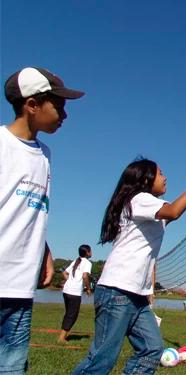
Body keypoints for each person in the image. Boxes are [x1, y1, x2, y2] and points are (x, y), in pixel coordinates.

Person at [72, 155, 186, 375]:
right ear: (146, 180)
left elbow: (172, 212)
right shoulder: (139, 199)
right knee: (101, 361)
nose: (165, 178)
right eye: (161, 173)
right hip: (117, 290)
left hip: (135, 295)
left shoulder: (149, 207)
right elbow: (174, 211)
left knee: (152, 349)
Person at [0, 66, 84, 374]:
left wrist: (45, 250)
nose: (64, 115)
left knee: (12, 366)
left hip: (20, 286)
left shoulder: (44, 153)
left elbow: (32, 210)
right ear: (31, 105)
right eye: (59, 106)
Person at [58, 244, 93, 343]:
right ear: (87, 252)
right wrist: (88, 288)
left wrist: (70, 281)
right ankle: (61, 338)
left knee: (69, 313)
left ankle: (64, 334)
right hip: (74, 292)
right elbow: (85, 276)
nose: (92, 253)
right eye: (91, 251)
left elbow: (64, 273)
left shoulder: (76, 261)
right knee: (72, 315)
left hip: (66, 290)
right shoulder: (87, 263)